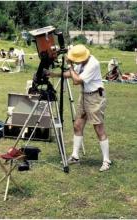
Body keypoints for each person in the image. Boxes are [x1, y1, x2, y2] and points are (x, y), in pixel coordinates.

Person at [48, 44, 111, 172]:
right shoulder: (82, 62)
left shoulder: (93, 64)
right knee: (77, 125)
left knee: (98, 127)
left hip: (95, 97)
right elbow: (71, 74)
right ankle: (75, 156)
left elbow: (76, 80)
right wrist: (53, 74)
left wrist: (70, 65)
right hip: (84, 95)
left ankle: (106, 160)